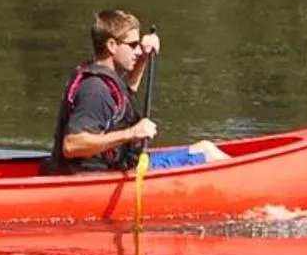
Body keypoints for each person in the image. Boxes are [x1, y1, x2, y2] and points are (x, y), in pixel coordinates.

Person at [45, 9, 228, 175]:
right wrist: (131, 133)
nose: (138, 50)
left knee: (206, 148)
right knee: (208, 153)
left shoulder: (105, 80)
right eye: (133, 45)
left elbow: (125, 96)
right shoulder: (95, 91)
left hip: (117, 168)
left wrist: (144, 58)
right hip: (96, 179)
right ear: (111, 45)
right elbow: (71, 145)